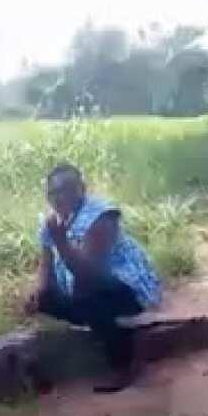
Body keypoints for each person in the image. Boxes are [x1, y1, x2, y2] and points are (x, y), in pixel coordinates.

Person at [25, 163, 162, 392]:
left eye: (65, 189)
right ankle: (74, 350)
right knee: (45, 299)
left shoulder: (101, 217)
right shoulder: (51, 223)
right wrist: (38, 294)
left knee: (87, 293)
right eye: (52, 192)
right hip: (85, 289)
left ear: (81, 189)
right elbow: (46, 269)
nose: (58, 197)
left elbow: (88, 273)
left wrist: (61, 241)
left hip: (124, 290)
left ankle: (123, 366)